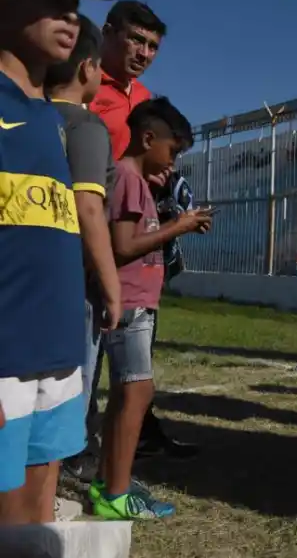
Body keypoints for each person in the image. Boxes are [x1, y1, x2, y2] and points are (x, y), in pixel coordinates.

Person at [0, 0, 118, 525]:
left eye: (75, 1)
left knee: (39, 516)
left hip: (59, 348)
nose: (69, 13)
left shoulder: (52, 118)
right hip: (6, 352)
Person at [93, 97, 212, 520]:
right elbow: (122, 247)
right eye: (173, 151)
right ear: (148, 139)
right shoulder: (126, 178)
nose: (173, 161)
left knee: (129, 394)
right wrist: (175, 226)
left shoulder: (137, 181)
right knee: (137, 392)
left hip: (136, 304)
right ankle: (116, 493)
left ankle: (108, 479)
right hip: (128, 306)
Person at [45, 14, 122, 499]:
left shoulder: (28, 115)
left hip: (26, 277)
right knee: (65, 393)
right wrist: (111, 288)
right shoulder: (87, 127)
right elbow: (89, 208)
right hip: (71, 282)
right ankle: (48, 489)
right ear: (89, 68)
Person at [89, 0, 165, 161]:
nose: (144, 54)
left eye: (152, 47)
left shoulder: (144, 96)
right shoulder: (79, 83)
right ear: (107, 33)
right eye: (136, 40)